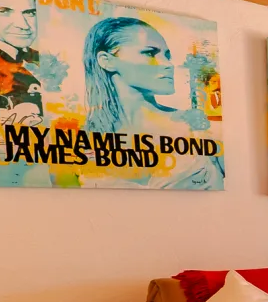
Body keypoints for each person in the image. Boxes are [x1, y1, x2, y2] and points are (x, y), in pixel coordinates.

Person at [83, 16, 221, 189]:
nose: (168, 64)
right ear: (107, 61)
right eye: (150, 53)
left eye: (167, 56)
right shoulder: (78, 138)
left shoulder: (199, 128)